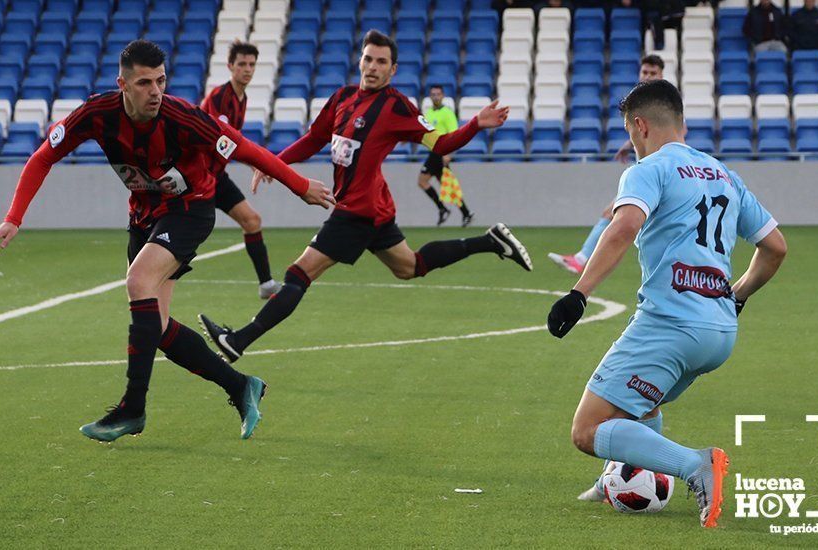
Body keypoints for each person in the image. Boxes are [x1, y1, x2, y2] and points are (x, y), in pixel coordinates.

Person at [0, 40, 334, 443]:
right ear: (123, 85)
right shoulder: (97, 115)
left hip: (190, 210)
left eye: (161, 81)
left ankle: (132, 409)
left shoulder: (183, 117)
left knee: (138, 283)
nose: (155, 91)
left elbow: (245, 147)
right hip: (144, 215)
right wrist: (14, 217)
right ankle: (241, 386)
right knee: (159, 326)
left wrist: (299, 184)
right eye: (145, 82)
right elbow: (43, 156)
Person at [198, 30, 532, 364]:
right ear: (360, 60)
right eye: (368, 58)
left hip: (357, 211)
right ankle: (491, 241)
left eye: (381, 62)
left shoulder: (397, 107)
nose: (372, 67)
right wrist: (276, 162)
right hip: (374, 207)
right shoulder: (342, 97)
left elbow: (440, 144)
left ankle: (237, 341)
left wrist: (475, 123)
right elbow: (315, 138)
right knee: (410, 266)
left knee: (299, 274)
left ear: (393, 70)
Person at [546, 80, 787, 527]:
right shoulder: (724, 175)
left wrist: (578, 295)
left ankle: (696, 464)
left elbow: (622, 229)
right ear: (682, 124)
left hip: (669, 325)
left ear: (640, 126)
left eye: (629, 132)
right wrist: (737, 297)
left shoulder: (649, 169)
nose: (631, 142)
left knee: (586, 429)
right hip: (718, 332)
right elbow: (775, 247)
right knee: (643, 402)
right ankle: (616, 476)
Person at [548, 55, 664, 275]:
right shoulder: (644, 100)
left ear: (661, 75)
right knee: (612, 214)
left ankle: (584, 262)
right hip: (648, 173)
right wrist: (628, 145)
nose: (648, 76)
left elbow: (677, 131)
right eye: (645, 72)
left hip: (657, 174)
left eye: (653, 73)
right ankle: (582, 259)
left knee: (619, 219)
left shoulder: (664, 101)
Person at [201, 41, 281, 299]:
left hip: (217, 176)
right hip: (198, 176)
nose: (247, 69)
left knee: (252, 221)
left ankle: (266, 285)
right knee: (188, 235)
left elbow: (232, 143)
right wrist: (257, 162)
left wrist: (255, 162)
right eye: (242, 64)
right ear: (230, 67)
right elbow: (220, 141)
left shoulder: (242, 98)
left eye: (251, 65)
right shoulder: (218, 97)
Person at [417, 85, 474, 227]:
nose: (435, 97)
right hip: (433, 152)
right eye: (433, 94)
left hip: (441, 153)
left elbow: (454, 134)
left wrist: (449, 153)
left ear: (442, 96)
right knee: (446, 185)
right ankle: (464, 213)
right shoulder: (429, 112)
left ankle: (445, 209)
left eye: (438, 94)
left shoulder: (447, 113)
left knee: (423, 181)